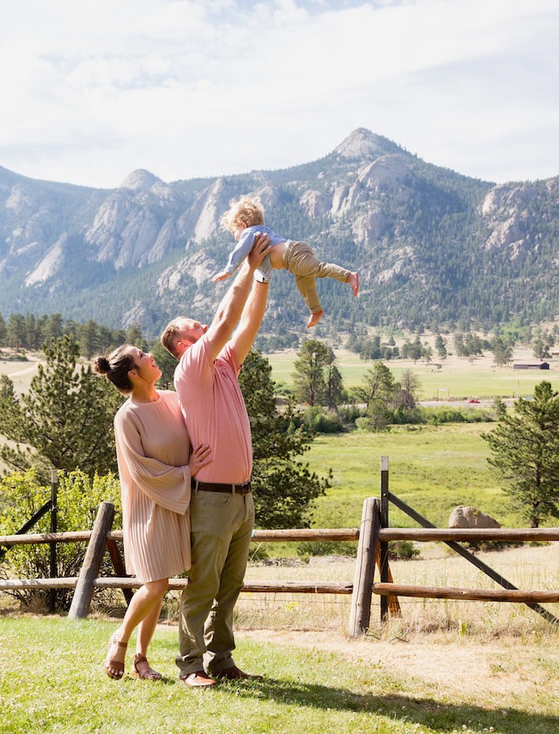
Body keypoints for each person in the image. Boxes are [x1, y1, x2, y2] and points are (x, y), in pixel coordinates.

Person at [161, 231, 271, 687]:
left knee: (229, 588)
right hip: (212, 500)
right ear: (185, 345)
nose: (204, 328)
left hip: (240, 499)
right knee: (203, 587)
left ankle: (222, 661)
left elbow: (248, 322)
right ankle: (190, 667)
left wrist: (263, 271)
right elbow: (226, 318)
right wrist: (245, 265)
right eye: (196, 328)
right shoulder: (189, 368)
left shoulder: (224, 365)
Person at [94, 345, 212, 682]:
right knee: (157, 584)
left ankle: (141, 660)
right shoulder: (127, 417)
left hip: (177, 503)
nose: (150, 356)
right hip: (146, 508)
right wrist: (186, 472)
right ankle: (119, 640)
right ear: (133, 373)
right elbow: (141, 470)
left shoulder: (173, 399)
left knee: (157, 584)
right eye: (143, 355)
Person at [213, 194, 359, 328]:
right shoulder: (260, 234)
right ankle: (316, 311)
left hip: (293, 254)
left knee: (320, 268)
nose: (234, 237)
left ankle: (348, 276)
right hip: (293, 260)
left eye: (234, 231)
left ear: (243, 225)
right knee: (305, 285)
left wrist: (228, 270)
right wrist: (245, 266)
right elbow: (262, 266)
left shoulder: (250, 232)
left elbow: (240, 250)